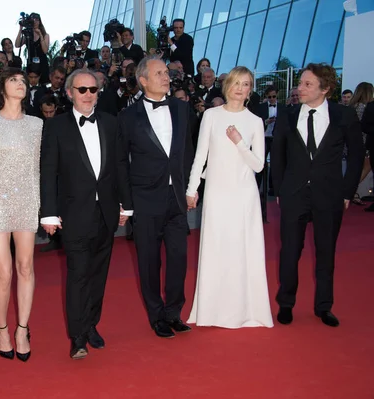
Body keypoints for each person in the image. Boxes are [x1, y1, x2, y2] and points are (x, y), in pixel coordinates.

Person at [41, 69, 132, 359]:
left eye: (93, 90)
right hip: (74, 212)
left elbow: (120, 166)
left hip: (105, 211)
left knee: (98, 274)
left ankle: (92, 324)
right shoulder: (55, 127)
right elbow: (48, 173)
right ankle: (78, 336)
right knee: (79, 274)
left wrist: (126, 204)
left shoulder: (110, 122)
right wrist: (49, 214)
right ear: (69, 93)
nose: (88, 95)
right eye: (82, 90)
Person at [272, 63, 365, 327]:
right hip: (294, 194)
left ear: (325, 89)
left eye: (307, 84)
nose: (299, 88)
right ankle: (286, 303)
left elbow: (357, 156)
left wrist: (347, 191)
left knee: (326, 252)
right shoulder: (288, 114)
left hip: (330, 194)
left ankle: (324, 306)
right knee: (290, 251)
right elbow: (277, 155)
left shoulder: (344, 115)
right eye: (300, 83)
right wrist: (279, 190)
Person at [186, 66, 273, 329]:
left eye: (246, 84)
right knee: (216, 247)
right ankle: (211, 310)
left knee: (242, 249)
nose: (239, 88)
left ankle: (245, 310)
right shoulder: (211, 116)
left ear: (250, 90)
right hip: (216, 191)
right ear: (228, 86)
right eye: (236, 82)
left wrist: (239, 142)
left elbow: (258, 165)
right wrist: (192, 188)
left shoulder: (255, 121)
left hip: (243, 194)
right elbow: (200, 155)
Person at [117, 56, 196, 338]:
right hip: (145, 199)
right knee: (149, 263)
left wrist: (190, 188)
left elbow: (188, 151)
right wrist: (127, 203)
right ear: (143, 81)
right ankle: (156, 315)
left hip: (176, 198)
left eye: (166, 72)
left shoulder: (182, 108)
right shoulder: (127, 116)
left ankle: (174, 312)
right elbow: (121, 162)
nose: (166, 76)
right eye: (159, 73)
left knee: (179, 259)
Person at [0, 68, 42, 362]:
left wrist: (41, 206)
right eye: (14, 80)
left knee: (26, 267)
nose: (21, 84)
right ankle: (1, 328)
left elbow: (38, 167)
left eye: (24, 81)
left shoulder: (37, 124)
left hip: (27, 199)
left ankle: (22, 329)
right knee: (3, 271)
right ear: (2, 88)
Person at [15, 13, 50, 83]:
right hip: (31, 63)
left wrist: (40, 35)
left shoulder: (45, 35)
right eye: (33, 20)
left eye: (37, 20)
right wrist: (20, 29)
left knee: (43, 83)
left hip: (42, 63)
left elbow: (45, 50)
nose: (35, 22)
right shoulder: (28, 34)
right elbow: (17, 44)